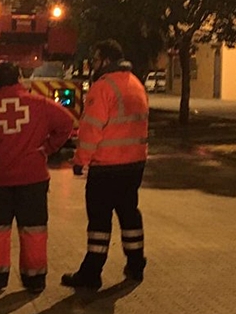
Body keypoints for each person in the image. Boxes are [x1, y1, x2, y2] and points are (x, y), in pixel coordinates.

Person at [0, 62, 74, 295]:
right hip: (33, 180)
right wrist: (47, 149)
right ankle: (35, 279)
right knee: (34, 230)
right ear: (20, 78)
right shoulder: (40, 104)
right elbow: (66, 123)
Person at [61, 39, 148, 290]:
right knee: (129, 214)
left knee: (99, 222)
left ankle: (91, 274)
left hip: (107, 167)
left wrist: (80, 162)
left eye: (96, 59)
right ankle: (136, 264)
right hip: (134, 165)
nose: (93, 64)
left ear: (107, 60)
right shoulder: (136, 84)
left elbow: (91, 130)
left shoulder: (103, 87)